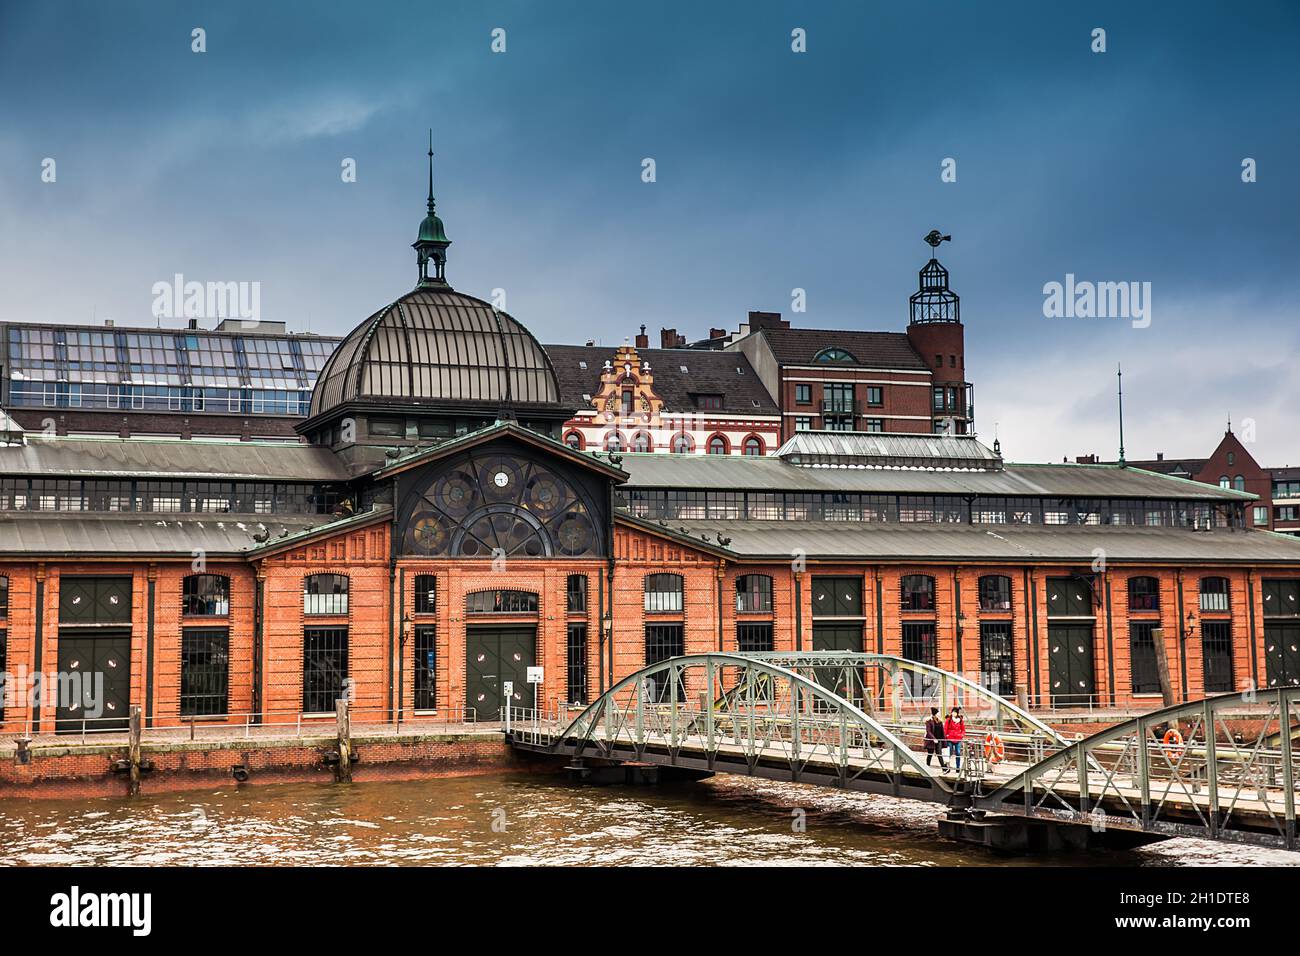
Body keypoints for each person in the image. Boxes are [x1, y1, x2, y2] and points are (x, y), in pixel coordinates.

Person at [923, 707, 948, 771]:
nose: (939, 714)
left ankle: (944, 768)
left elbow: (942, 731)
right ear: (935, 714)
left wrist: (944, 739)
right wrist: (934, 739)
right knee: (930, 754)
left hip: (939, 740)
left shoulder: (939, 721)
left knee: (939, 754)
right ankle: (927, 767)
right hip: (931, 741)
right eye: (938, 713)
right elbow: (928, 731)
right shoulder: (929, 721)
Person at [945, 706, 966, 773]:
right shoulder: (949, 719)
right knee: (949, 752)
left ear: (957, 713)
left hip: (958, 738)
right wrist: (946, 736)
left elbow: (963, 729)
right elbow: (945, 728)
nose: (953, 713)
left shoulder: (960, 720)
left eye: (954, 712)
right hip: (950, 738)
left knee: (958, 753)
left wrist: (961, 735)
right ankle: (947, 766)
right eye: (952, 712)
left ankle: (958, 767)